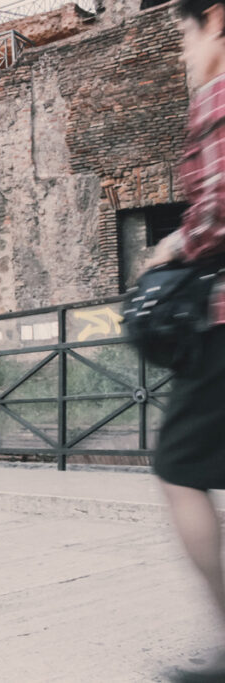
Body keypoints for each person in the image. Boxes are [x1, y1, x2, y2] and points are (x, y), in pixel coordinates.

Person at [146, 3, 225, 680]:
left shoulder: (220, 96)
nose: (180, 51)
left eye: (181, 33)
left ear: (218, 21)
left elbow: (218, 208)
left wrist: (173, 243)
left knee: (177, 464)